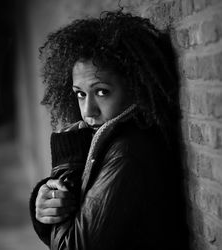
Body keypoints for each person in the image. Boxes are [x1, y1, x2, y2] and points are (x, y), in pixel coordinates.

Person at [29, 10, 190, 250]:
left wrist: (65, 168)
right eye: (80, 94)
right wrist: (46, 204)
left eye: (102, 91)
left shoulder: (127, 153)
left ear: (136, 88)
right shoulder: (112, 141)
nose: (87, 110)